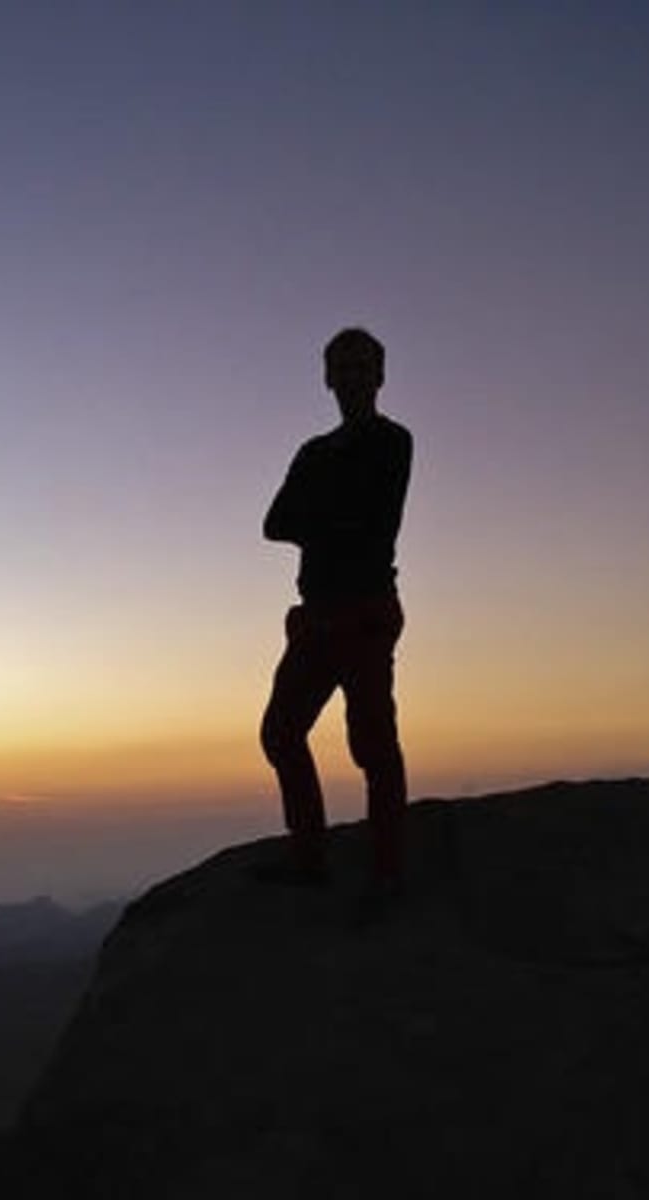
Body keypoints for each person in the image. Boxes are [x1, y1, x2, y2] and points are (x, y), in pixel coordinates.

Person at [259, 327, 412, 903]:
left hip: (366, 612)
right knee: (281, 733)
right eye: (341, 367)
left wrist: (320, 513)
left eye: (362, 365)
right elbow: (274, 523)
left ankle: (389, 874)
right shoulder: (314, 451)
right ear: (327, 378)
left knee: (372, 746)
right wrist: (333, 514)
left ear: (380, 375)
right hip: (318, 615)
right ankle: (310, 857)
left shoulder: (394, 442)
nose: (351, 376)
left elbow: (373, 521)